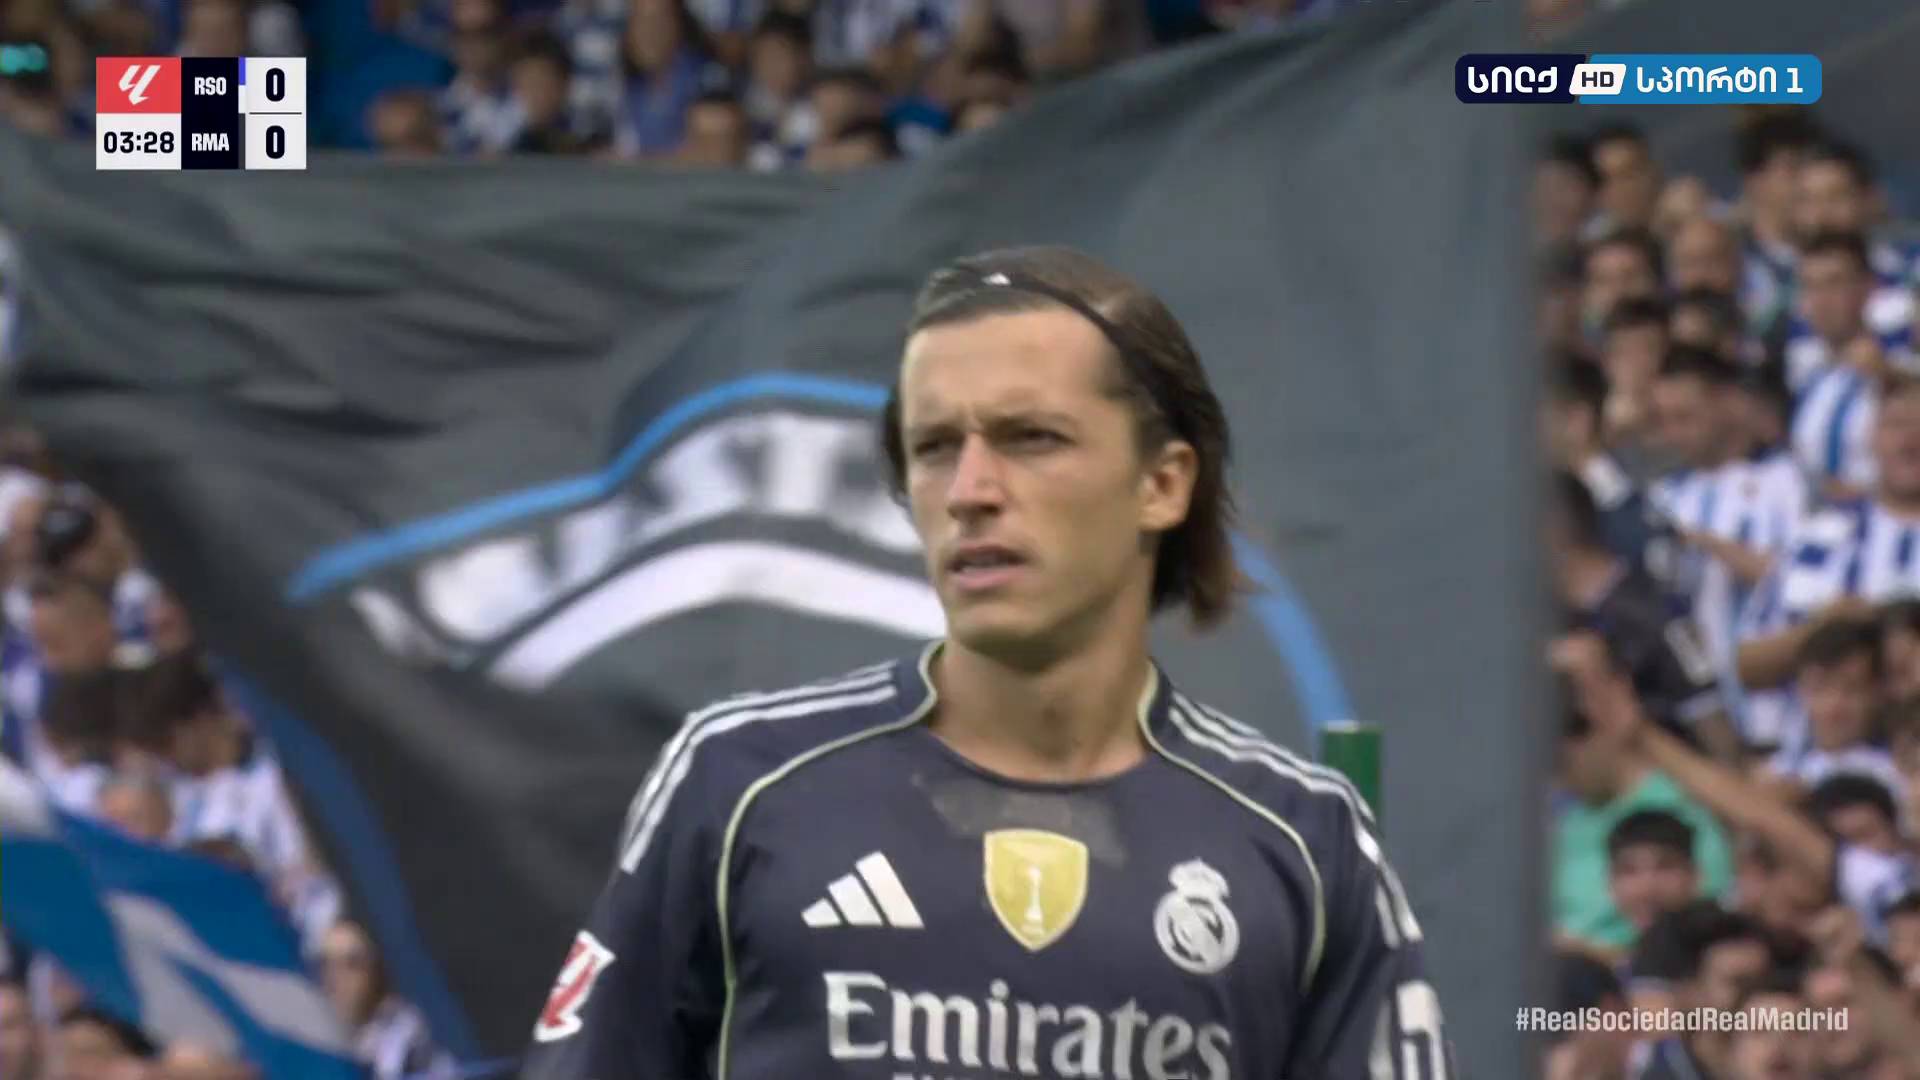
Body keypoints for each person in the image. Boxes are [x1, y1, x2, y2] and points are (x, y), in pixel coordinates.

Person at [523, 246, 1450, 1078]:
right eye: (934, 448)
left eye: (1030, 437)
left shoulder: (1306, 842)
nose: (969, 491)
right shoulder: (736, 779)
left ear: (1163, 483)